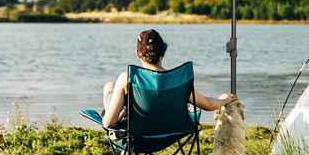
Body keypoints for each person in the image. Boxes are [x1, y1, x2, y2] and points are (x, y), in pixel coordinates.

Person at [102, 29, 238, 128]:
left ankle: (122, 113)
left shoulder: (128, 77)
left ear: (137, 53)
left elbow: (109, 123)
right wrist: (225, 100)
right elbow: (207, 104)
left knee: (109, 87)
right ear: (163, 52)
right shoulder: (178, 79)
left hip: (137, 136)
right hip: (172, 133)